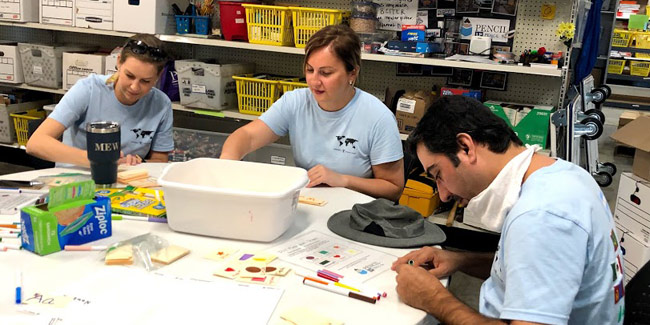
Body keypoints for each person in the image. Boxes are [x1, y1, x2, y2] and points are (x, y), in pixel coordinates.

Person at [392, 96, 625, 325]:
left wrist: (434, 299)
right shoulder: (563, 173)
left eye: (438, 175)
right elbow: (530, 268)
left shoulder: (540, 216)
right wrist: (461, 260)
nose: (443, 194)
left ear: (465, 147)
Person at [220, 25, 404, 201]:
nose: (314, 81)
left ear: (352, 73)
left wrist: (343, 180)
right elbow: (247, 136)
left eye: (326, 73)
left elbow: (393, 188)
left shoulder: (378, 117)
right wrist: (226, 166)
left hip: (356, 215)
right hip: (309, 203)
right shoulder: (295, 102)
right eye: (310, 70)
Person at [26, 34, 174, 167]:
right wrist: (95, 160)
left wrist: (138, 163)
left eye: (146, 81)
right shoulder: (88, 90)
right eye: (129, 76)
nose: (135, 87)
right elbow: (36, 143)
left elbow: (160, 162)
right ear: (119, 62)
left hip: (126, 184)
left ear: (159, 76)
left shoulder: (161, 104)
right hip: (78, 181)